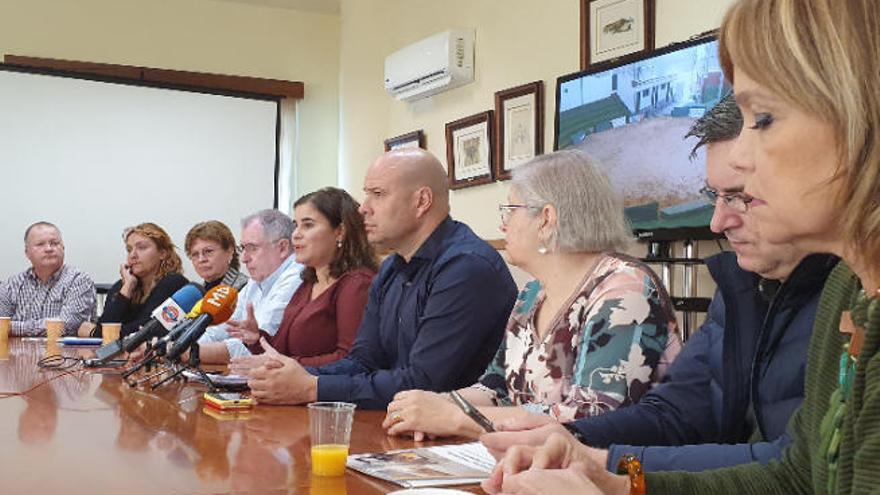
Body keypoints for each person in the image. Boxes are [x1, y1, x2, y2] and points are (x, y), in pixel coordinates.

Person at [482, 0, 880, 493]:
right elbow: (796, 471)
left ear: (861, 107)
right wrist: (615, 478)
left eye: (764, 118)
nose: (743, 155)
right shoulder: (846, 284)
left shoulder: (840, 284)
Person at [480, 96, 838, 472]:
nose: (717, 222)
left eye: (739, 197)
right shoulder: (742, 287)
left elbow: (795, 469)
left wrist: (606, 462)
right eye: (714, 196)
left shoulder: (844, 292)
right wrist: (575, 439)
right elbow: (677, 413)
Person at [382, 149, 680, 441]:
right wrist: (432, 405)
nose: (502, 225)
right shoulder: (531, 293)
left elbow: (589, 416)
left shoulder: (624, 288)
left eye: (510, 210)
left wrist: (457, 419)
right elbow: (495, 388)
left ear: (546, 219)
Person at [230, 149, 517, 409]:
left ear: (422, 201)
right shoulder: (392, 268)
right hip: (394, 422)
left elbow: (425, 381)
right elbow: (363, 361)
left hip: (453, 441)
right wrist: (292, 376)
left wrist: (313, 387)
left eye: (377, 194)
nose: (362, 208)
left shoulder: (465, 267)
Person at [230, 187, 377, 366]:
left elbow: (352, 361)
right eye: (296, 225)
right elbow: (281, 352)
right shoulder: (308, 283)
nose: (295, 235)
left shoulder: (357, 284)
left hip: (328, 393)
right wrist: (256, 340)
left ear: (339, 232)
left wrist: (285, 366)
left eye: (308, 225)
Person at [197, 209, 302, 364]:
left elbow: (255, 346)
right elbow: (221, 329)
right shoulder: (256, 280)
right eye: (243, 248)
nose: (244, 259)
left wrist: (190, 352)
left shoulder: (296, 277)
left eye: (252, 248)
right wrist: (184, 346)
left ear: (282, 248)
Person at [89, 223, 188, 338]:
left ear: (162, 253)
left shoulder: (174, 283)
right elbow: (105, 329)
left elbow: (145, 332)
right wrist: (127, 288)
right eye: (129, 249)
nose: (132, 255)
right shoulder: (123, 286)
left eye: (141, 248)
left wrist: (95, 332)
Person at [0, 222, 96, 336]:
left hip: (65, 353)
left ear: (63, 248)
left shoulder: (79, 281)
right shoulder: (11, 285)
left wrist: (11, 327)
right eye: (40, 244)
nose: (49, 249)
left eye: (54, 243)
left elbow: (66, 327)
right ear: (27, 253)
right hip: (14, 353)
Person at [184, 220, 249, 291]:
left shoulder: (247, 289)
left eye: (208, 251)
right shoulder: (196, 295)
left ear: (230, 252)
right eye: (195, 254)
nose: (201, 259)